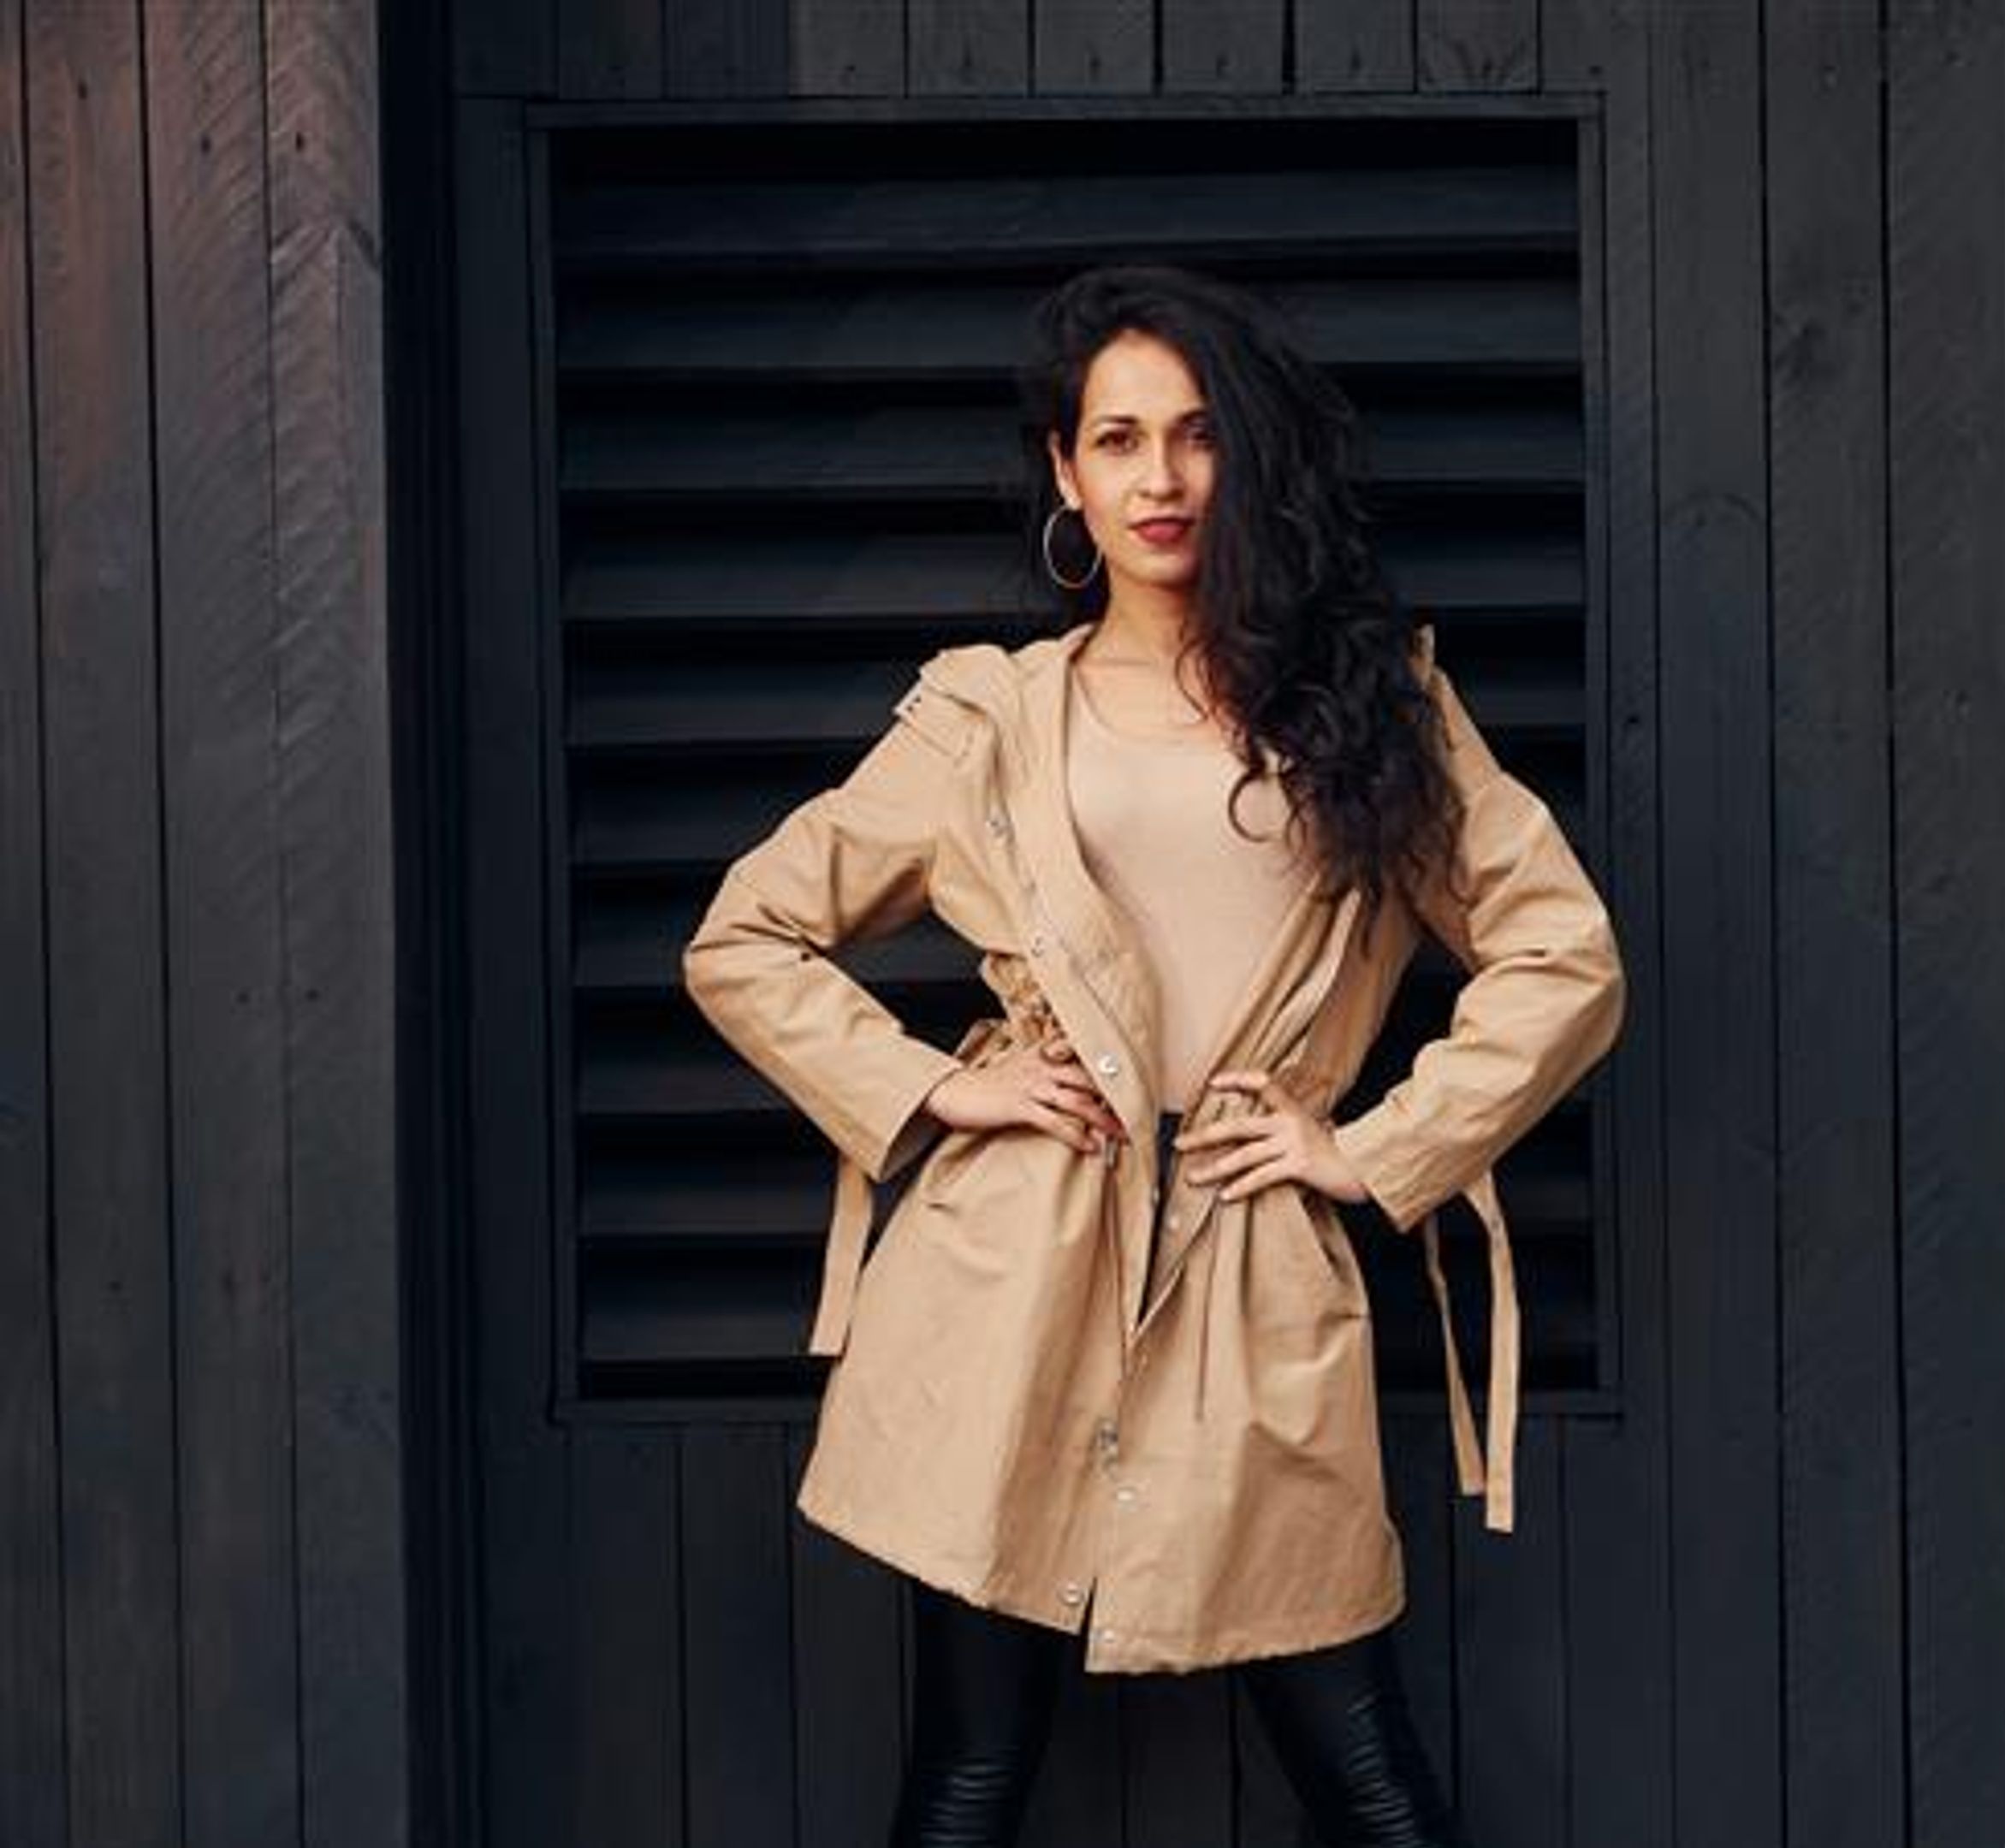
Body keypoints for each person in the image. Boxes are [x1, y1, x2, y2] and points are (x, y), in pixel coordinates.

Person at [679, 263, 1627, 1848]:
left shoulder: (1374, 702)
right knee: (970, 1774)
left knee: (1367, 1769)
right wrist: (936, 1088)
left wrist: (1372, 1145)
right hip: (1012, 1279)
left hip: (1255, 1271)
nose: (1162, 478)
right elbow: (745, 936)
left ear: (1247, 457)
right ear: (1066, 472)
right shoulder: (988, 716)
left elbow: (1564, 955)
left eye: (1196, 436)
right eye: (1116, 441)